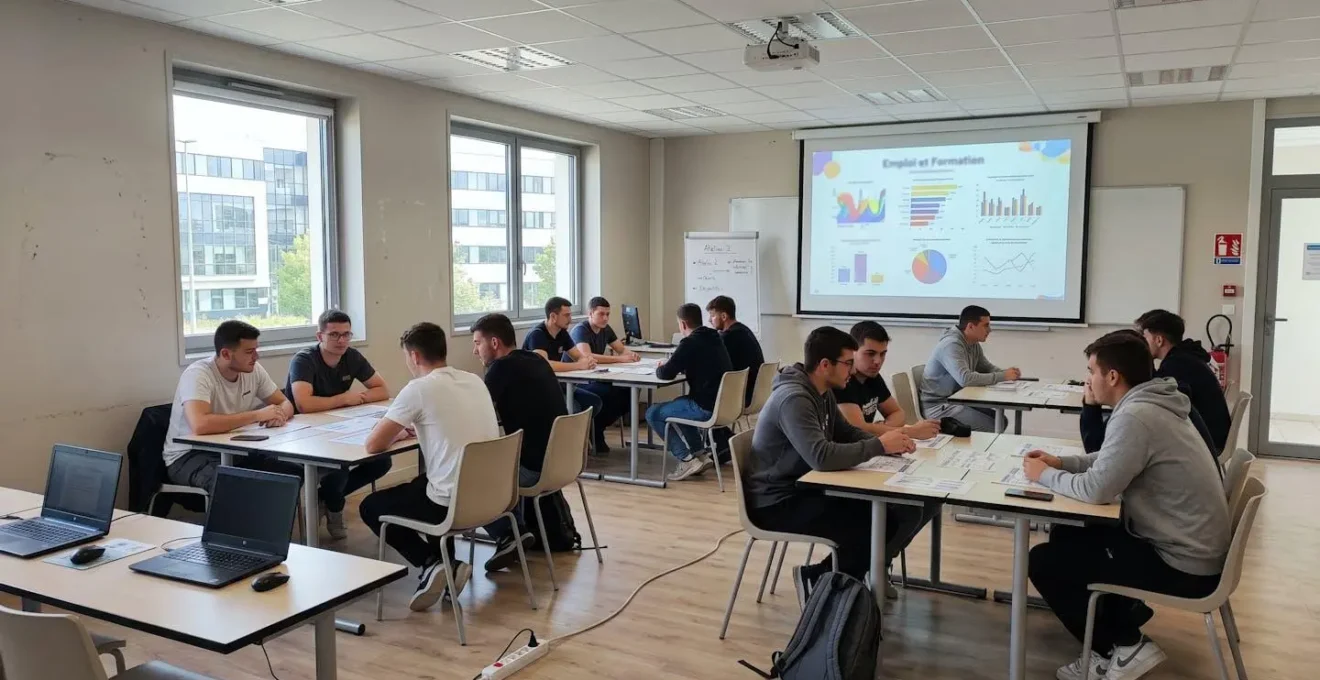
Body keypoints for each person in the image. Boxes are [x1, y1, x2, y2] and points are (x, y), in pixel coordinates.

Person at [1024, 331, 1230, 680]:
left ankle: (1124, 645)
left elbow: (1096, 489)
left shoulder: (1136, 416)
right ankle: (1121, 631)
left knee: (1043, 562)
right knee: (1068, 535)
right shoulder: (1152, 402)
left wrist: (1043, 475)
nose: (1087, 379)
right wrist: (1061, 462)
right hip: (1192, 546)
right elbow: (1109, 459)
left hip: (1183, 563)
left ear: (1113, 376)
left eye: (1091, 370)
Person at [745, 326, 924, 604]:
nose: (852, 371)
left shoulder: (822, 391)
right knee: (873, 523)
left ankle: (843, 579)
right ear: (825, 365)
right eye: (848, 363)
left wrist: (890, 446)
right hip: (777, 501)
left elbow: (846, 433)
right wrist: (879, 445)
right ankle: (820, 582)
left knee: (893, 512)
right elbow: (822, 457)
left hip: (805, 486)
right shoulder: (794, 399)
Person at [358, 323, 500, 612]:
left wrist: (395, 431)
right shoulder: (474, 380)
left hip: (452, 502)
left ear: (414, 356)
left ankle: (431, 563)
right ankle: (447, 570)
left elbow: (373, 445)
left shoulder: (419, 389)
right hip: (493, 496)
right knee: (427, 483)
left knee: (371, 506)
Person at [470, 313, 567, 572]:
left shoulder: (501, 368)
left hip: (533, 469)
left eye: (477, 343)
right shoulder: (536, 359)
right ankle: (516, 529)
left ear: (493, 343)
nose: (474, 350)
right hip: (561, 463)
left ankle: (510, 534)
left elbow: (475, 413)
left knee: (470, 479)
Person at [284, 309, 392, 540]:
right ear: (319, 336)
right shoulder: (304, 360)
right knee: (338, 470)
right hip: (304, 431)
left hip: (338, 425)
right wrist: (343, 399)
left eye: (346, 334)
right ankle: (334, 506)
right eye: (334, 335)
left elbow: (382, 390)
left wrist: (359, 398)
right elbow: (303, 404)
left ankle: (325, 499)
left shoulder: (352, 357)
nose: (341, 340)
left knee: (382, 462)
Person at [162, 321, 304, 493]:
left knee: (292, 472)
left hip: (235, 449)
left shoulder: (253, 370)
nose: (256, 357)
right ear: (226, 354)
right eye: (249, 352)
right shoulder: (198, 374)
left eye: (256, 350)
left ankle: (270, 520)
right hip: (188, 455)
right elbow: (200, 425)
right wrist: (257, 415)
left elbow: (285, 403)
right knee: (232, 484)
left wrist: (278, 415)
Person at [646, 303, 733, 482]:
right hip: (723, 404)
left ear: (683, 324)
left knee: (653, 412)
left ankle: (686, 459)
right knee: (680, 403)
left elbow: (666, 373)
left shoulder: (690, 342)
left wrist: (660, 366)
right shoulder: (713, 336)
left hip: (706, 407)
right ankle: (700, 454)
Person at [1135, 309, 1231, 452]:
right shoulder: (1185, 357)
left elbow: (1157, 401)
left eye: (1144, 337)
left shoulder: (1177, 365)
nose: (1140, 343)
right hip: (1213, 435)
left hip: (1207, 442)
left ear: (1159, 340)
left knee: (1140, 446)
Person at [921, 304, 1021, 431]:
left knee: (1001, 420)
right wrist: (1003, 376)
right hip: (939, 407)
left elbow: (986, 367)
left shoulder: (973, 343)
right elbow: (965, 379)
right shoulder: (951, 345)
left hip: (957, 401)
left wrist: (1007, 373)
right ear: (970, 326)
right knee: (994, 425)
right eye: (986, 325)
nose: (989, 330)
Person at [835, 321, 941, 440]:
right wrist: (910, 432)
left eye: (882, 354)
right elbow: (858, 430)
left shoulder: (873, 377)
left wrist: (881, 428)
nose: (877, 361)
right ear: (852, 351)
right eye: (870, 354)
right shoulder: (842, 381)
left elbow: (898, 413)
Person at [522, 297, 605, 445]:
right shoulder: (538, 334)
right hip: (536, 389)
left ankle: (579, 441)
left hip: (556, 385)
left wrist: (587, 361)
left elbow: (578, 356)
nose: (570, 319)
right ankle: (567, 445)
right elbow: (545, 365)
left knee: (594, 402)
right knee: (575, 407)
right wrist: (579, 366)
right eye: (566, 315)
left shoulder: (562, 333)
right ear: (553, 317)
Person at [569, 297, 638, 450]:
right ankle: (595, 432)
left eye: (608, 314)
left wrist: (631, 355)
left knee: (627, 392)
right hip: (578, 382)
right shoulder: (580, 330)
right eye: (601, 314)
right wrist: (620, 360)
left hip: (597, 377)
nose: (605, 318)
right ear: (590, 313)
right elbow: (588, 356)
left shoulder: (606, 329)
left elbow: (621, 349)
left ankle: (597, 428)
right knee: (608, 393)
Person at [706, 295, 765, 407]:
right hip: (754, 393)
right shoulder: (743, 330)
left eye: (712, 315)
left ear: (724, 316)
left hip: (740, 395)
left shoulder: (729, 337)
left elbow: (712, 365)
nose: (709, 320)